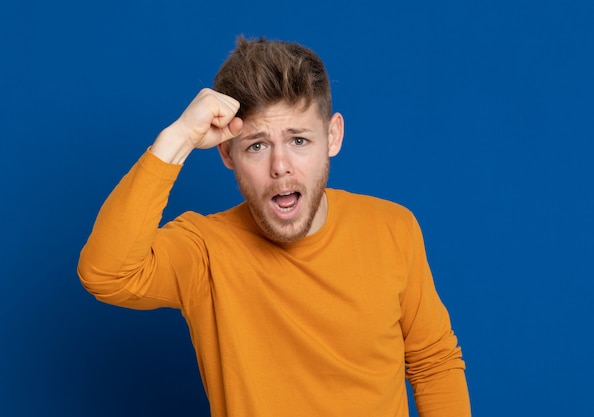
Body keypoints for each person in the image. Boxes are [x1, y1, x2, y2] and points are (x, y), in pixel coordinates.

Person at [78, 36, 471, 417]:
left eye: (299, 140)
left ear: (333, 136)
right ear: (227, 154)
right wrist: (177, 138)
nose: (280, 166)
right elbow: (106, 274)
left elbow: (433, 361)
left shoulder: (393, 228)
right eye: (257, 146)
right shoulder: (204, 251)